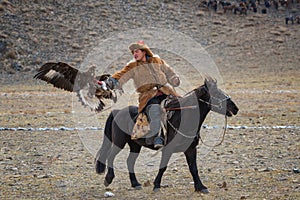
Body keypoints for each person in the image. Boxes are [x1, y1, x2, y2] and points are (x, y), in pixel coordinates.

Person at [106, 40, 180, 148]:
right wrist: (112, 81)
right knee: (155, 110)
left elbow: (169, 72)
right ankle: (157, 137)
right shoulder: (132, 66)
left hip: (167, 93)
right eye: (133, 52)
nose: (134, 54)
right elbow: (121, 75)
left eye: (137, 51)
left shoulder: (157, 60)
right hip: (149, 97)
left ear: (144, 51)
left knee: (181, 106)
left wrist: (174, 80)